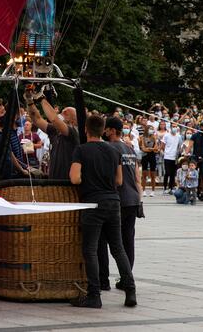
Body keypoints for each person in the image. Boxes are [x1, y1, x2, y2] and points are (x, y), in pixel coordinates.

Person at [69, 114, 136, 308]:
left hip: (93, 203)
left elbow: (75, 178)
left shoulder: (81, 150)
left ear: (86, 130)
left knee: (90, 249)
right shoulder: (114, 151)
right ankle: (130, 290)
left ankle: (94, 295)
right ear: (102, 130)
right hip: (114, 202)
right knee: (118, 247)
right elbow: (119, 181)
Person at [97, 116, 141, 292]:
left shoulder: (109, 148)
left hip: (118, 199)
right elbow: (137, 176)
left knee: (104, 240)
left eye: (106, 129)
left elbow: (115, 178)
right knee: (128, 241)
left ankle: (103, 280)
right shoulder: (129, 148)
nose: (104, 132)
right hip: (133, 199)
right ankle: (126, 278)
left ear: (112, 131)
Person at [25, 86, 80, 181]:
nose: (62, 114)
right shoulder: (54, 131)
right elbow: (36, 119)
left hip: (67, 184)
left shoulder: (73, 133)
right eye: (62, 112)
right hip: (53, 180)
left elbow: (54, 119)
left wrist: (41, 97)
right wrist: (29, 100)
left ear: (73, 121)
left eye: (66, 113)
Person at [139, 125, 159, 197]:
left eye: (152, 129)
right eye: (150, 129)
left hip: (152, 156)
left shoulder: (154, 137)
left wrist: (151, 149)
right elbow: (143, 148)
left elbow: (156, 148)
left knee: (153, 174)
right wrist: (151, 149)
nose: (151, 130)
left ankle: (153, 191)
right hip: (145, 156)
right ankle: (143, 190)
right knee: (144, 174)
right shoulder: (142, 137)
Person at [161, 125, 180, 194]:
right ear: (171, 128)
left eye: (176, 127)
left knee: (172, 174)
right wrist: (165, 152)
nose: (174, 128)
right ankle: (165, 187)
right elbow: (162, 145)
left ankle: (171, 187)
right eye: (173, 127)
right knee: (167, 172)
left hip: (175, 157)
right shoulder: (166, 135)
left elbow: (179, 146)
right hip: (167, 156)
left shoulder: (178, 136)